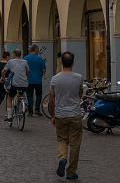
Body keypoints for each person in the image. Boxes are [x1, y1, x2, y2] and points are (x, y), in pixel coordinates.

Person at [49, 51, 84, 180]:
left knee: (62, 139)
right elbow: (80, 94)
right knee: (75, 143)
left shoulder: (55, 78)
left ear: (61, 62)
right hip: (75, 114)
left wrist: (53, 115)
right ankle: (71, 172)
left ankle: (62, 158)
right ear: (73, 63)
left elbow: (52, 99)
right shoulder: (79, 78)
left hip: (60, 114)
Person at [1, 49, 29, 123]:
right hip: (24, 83)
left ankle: (9, 116)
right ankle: (24, 103)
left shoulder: (10, 62)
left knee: (10, 98)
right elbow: (27, 72)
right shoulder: (25, 62)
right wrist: (25, 78)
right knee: (22, 92)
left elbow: (3, 71)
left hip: (15, 83)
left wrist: (3, 79)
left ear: (13, 54)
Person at [24, 44, 47, 116]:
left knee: (30, 95)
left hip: (29, 80)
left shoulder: (25, 58)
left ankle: (30, 111)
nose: (38, 51)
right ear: (36, 50)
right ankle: (37, 109)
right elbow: (44, 70)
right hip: (38, 80)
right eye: (38, 50)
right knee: (39, 95)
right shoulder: (40, 59)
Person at [0, 51, 11, 116]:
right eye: (9, 56)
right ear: (7, 57)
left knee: (1, 96)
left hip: (0, 81)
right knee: (8, 97)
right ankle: (7, 112)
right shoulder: (8, 64)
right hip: (7, 82)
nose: (10, 58)